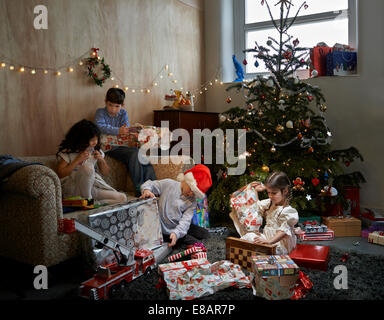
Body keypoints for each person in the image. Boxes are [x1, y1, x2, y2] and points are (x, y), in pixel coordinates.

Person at [94, 88, 156, 197]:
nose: (113, 109)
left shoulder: (123, 113)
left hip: (122, 146)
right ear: (106, 102)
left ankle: (154, 186)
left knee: (141, 154)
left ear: (122, 105)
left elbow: (126, 128)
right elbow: (100, 127)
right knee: (134, 153)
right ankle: (139, 188)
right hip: (108, 148)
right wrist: (118, 130)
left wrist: (133, 131)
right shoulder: (100, 112)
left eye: (117, 106)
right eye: (110, 105)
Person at [139, 164, 212, 247]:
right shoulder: (169, 184)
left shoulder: (192, 201)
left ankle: (185, 231)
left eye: (195, 193)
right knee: (194, 243)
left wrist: (176, 233)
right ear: (186, 180)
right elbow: (149, 184)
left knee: (205, 234)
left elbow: (185, 221)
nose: (191, 194)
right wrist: (146, 190)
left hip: (176, 229)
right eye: (192, 189)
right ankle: (183, 233)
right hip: (161, 230)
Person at [56, 119, 127, 204]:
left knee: (122, 198)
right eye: (92, 140)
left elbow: (105, 172)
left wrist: (101, 160)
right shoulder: (69, 151)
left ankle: (93, 204)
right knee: (87, 167)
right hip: (73, 190)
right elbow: (60, 174)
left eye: (96, 139)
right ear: (81, 139)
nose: (95, 142)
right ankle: (88, 200)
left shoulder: (96, 151)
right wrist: (77, 160)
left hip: (91, 188)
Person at [241, 171, 299, 254]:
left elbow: (283, 231)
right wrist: (256, 191)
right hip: (267, 238)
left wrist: (269, 242)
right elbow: (257, 208)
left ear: (285, 191)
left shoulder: (288, 211)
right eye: (268, 192)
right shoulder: (270, 203)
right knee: (249, 236)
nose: (270, 196)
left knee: (262, 249)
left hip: (279, 243)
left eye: (274, 193)